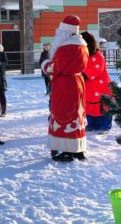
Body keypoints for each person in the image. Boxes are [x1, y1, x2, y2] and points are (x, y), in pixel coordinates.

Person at [42, 15, 89, 162]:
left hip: (65, 85)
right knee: (76, 115)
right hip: (77, 83)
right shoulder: (82, 45)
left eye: (60, 32)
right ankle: (77, 149)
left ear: (65, 32)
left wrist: (45, 65)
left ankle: (61, 150)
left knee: (63, 115)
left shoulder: (66, 47)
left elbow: (55, 68)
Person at [80, 32, 113, 133]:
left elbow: (96, 70)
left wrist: (82, 74)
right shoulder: (84, 56)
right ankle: (92, 125)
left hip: (101, 88)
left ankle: (104, 126)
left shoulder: (98, 56)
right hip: (89, 89)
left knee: (102, 108)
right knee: (90, 108)